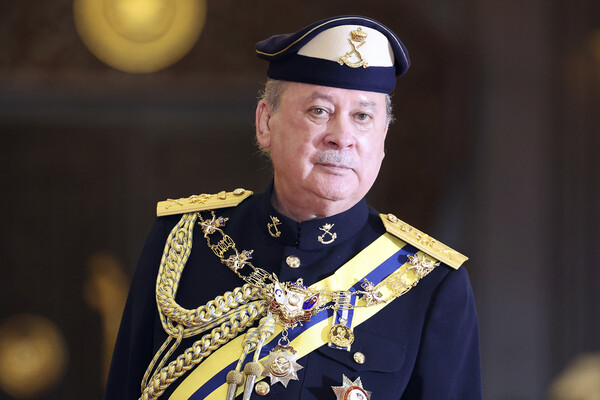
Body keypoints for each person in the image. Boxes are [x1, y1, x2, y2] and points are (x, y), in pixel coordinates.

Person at [105, 15, 482, 400]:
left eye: (362, 116)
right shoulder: (184, 241)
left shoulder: (428, 283)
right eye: (320, 111)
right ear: (266, 123)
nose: (342, 137)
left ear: (383, 138)